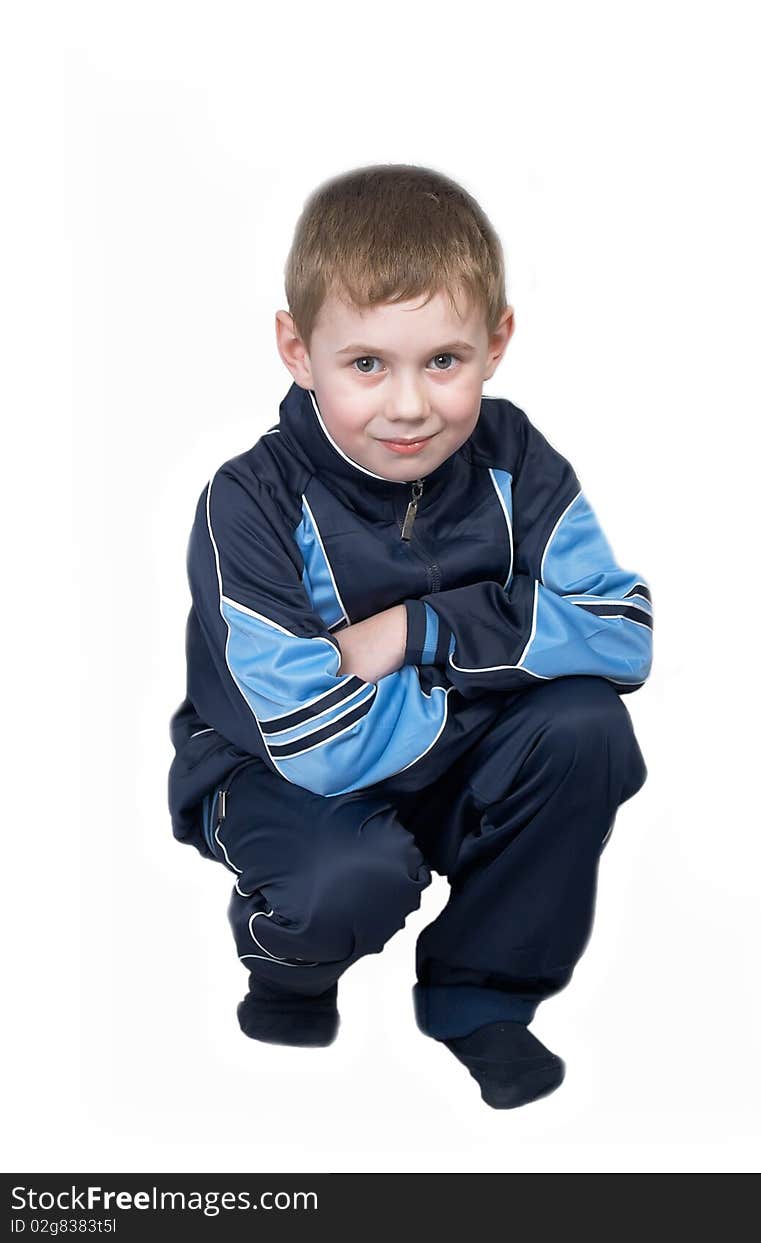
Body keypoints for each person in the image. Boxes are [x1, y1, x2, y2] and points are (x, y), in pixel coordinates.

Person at [167, 163, 652, 1109]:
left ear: (497, 342)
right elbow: (316, 740)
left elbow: (622, 633)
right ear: (296, 349)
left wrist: (416, 627)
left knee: (587, 726)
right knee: (351, 874)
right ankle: (290, 963)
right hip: (274, 776)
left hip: (439, 749)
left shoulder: (517, 458)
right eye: (366, 364)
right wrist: (507, 653)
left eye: (443, 360)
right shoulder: (248, 502)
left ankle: (480, 992)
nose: (409, 406)